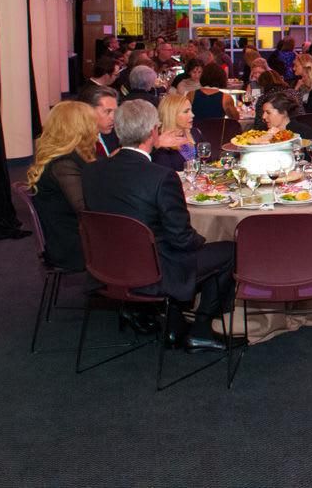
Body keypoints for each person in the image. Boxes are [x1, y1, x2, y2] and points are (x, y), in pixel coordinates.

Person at [82, 100, 237, 352]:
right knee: (230, 250)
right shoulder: (161, 177)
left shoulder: (91, 172)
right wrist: (204, 239)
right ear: (154, 131)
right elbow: (182, 239)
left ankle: (173, 321)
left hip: (107, 264)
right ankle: (201, 329)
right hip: (154, 271)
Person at [26, 101, 99, 272]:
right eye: (92, 123)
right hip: (72, 244)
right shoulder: (64, 163)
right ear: (80, 128)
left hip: (71, 233)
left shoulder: (66, 156)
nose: (96, 128)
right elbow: (85, 209)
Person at [152, 93, 207, 173]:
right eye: (186, 111)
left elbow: (208, 163)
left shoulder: (195, 133)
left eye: (191, 110)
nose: (192, 115)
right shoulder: (161, 143)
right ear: (172, 115)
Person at [79, 85, 120, 158]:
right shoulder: (77, 143)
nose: (113, 117)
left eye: (115, 111)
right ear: (89, 111)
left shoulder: (115, 135)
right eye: (108, 111)